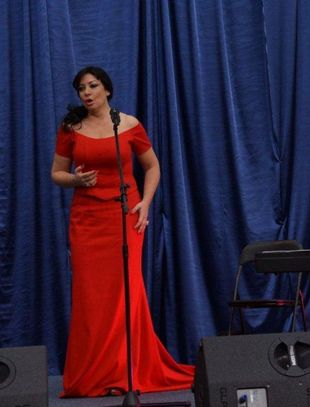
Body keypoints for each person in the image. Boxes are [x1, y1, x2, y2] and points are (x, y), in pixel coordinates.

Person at [51, 66, 194, 397]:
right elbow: (56, 173)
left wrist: (145, 203)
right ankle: (94, 375)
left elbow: (152, 166)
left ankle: (124, 371)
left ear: (107, 89)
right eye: (81, 88)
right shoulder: (70, 128)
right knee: (91, 298)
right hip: (87, 221)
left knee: (125, 293)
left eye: (92, 86)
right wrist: (75, 180)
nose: (87, 93)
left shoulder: (128, 125)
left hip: (124, 217)